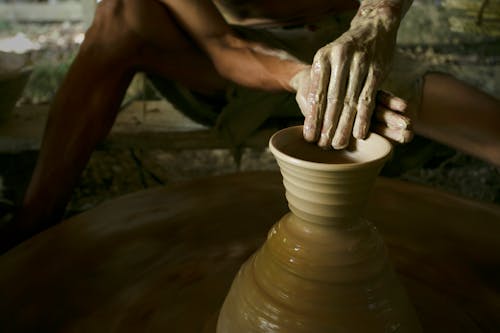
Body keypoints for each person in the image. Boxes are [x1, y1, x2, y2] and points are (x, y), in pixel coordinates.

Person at [3, 0, 500, 251]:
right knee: (122, 11)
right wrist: (302, 80)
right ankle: (35, 219)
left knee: (484, 125)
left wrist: (377, 21)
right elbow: (225, 48)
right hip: (224, 58)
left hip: (346, 42)